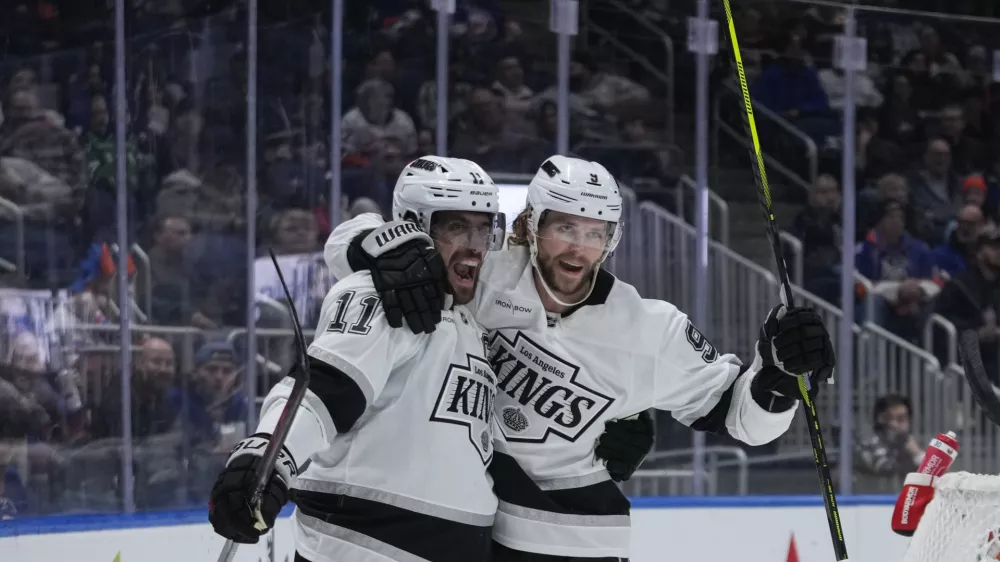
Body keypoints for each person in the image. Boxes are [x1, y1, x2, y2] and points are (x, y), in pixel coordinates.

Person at [327, 155, 837, 561]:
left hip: (580, 542)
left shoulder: (651, 329)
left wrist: (778, 377)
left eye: (596, 233)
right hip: (483, 530)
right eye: (564, 228)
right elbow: (352, 242)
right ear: (530, 226)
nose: (579, 248)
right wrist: (384, 247)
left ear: (611, 240)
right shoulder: (485, 272)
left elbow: (746, 422)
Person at [206, 156, 650, 562]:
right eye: (457, 227)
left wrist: (613, 413)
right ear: (415, 226)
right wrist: (267, 457)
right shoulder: (384, 295)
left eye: (484, 228)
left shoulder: (474, 313)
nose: (476, 246)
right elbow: (327, 387)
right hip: (369, 545)